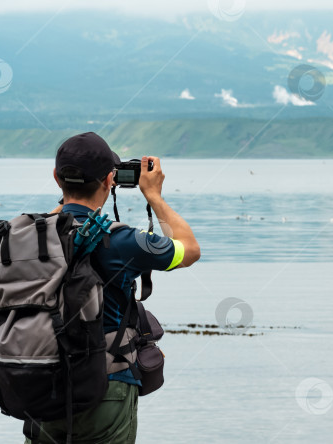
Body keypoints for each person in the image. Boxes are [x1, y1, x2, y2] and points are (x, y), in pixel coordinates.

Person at [24, 132, 201, 444]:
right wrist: (154, 197)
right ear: (110, 180)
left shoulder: (28, 237)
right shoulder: (122, 241)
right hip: (106, 387)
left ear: (56, 178)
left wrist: (67, 198)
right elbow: (189, 249)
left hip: (41, 387)